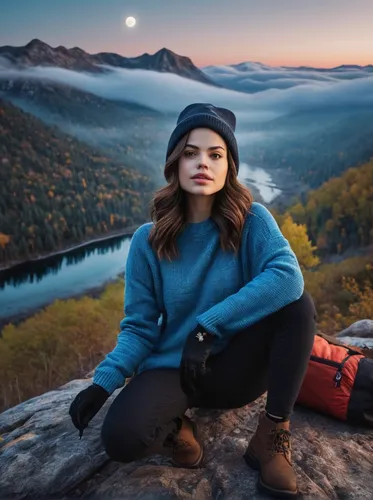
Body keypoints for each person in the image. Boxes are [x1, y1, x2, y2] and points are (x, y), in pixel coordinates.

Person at [69, 103, 317, 498]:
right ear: (175, 164)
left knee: (298, 306)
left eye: (215, 154)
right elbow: (138, 326)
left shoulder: (252, 221)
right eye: (190, 152)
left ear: (228, 166)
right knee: (120, 437)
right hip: (176, 370)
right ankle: (179, 431)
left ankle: (272, 434)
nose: (203, 163)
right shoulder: (147, 241)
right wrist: (103, 383)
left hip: (237, 367)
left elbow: (288, 278)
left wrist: (205, 329)